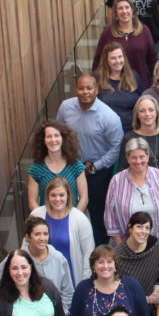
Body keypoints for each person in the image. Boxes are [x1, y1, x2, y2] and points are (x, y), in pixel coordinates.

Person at [57, 74, 124, 245]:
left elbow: (117, 147)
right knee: (66, 207)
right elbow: (58, 133)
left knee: (98, 214)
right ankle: (69, 244)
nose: (85, 92)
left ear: (97, 90)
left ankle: (98, 251)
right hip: (70, 168)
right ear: (76, 89)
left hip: (97, 172)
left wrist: (95, 166)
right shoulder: (66, 107)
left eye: (89, 88)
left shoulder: (109, 117)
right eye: (81, 88)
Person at [104, 138, 159, 255]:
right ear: (127, 158)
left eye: (142, 156)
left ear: (148, 157)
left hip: (157, 246)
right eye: (133, 157)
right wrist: (121, 248)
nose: (138, 161)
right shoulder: (117, 181)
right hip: (128, 249)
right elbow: (110, 218)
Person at [0, 216, 75, 313]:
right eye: (37, 234)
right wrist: (12, 304)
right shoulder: (16, 257)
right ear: (28, 236)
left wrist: (60, 312)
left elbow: (68, 291)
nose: (42, 238)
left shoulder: (58, 258)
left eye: (45, 234)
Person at [31, 177, 95, 285]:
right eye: (53, 195)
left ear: (68, 195)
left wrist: (84, 283)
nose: (57, 199)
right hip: (41, 280)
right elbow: (26, 245)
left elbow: (89, 253)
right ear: (47, 196)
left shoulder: (80, 219)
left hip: (71, 280)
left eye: (61, 195)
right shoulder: (36, 215)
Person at [27, 120, 88, 212]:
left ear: (63, 139)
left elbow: (84, 198)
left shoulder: (76, 166)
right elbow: (32, 202)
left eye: (56, 135)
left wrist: (73, 220)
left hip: (72, 220)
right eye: (49, 136)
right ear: (43, 140)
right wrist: (44, 222)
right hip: (47, 221)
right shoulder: (36, 169)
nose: (53, 140)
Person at [115, 211, 159, 313]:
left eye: (147, 228)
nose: (144, 231)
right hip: (128, 310)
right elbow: (118, 292)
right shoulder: (117, 255)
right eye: (139, 226)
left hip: (155, 307)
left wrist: (157, 285)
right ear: (130, 227)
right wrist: (148, 299)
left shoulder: (155, 245)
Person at [118, 95, 159, 171]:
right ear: (137, 115)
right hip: (141, 181)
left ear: (157, 112)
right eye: (142, 111)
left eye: (151, 110)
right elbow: (122, 168)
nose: (147, 114)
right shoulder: (129, 138)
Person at [96, 42, 144, 132]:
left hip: (133, 130)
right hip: (107, 131)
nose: (118, 61)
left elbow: (144, 100)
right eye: (113, 58)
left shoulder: (134, 76)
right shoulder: (97, 78)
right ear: (106, 60)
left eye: (120, 57)